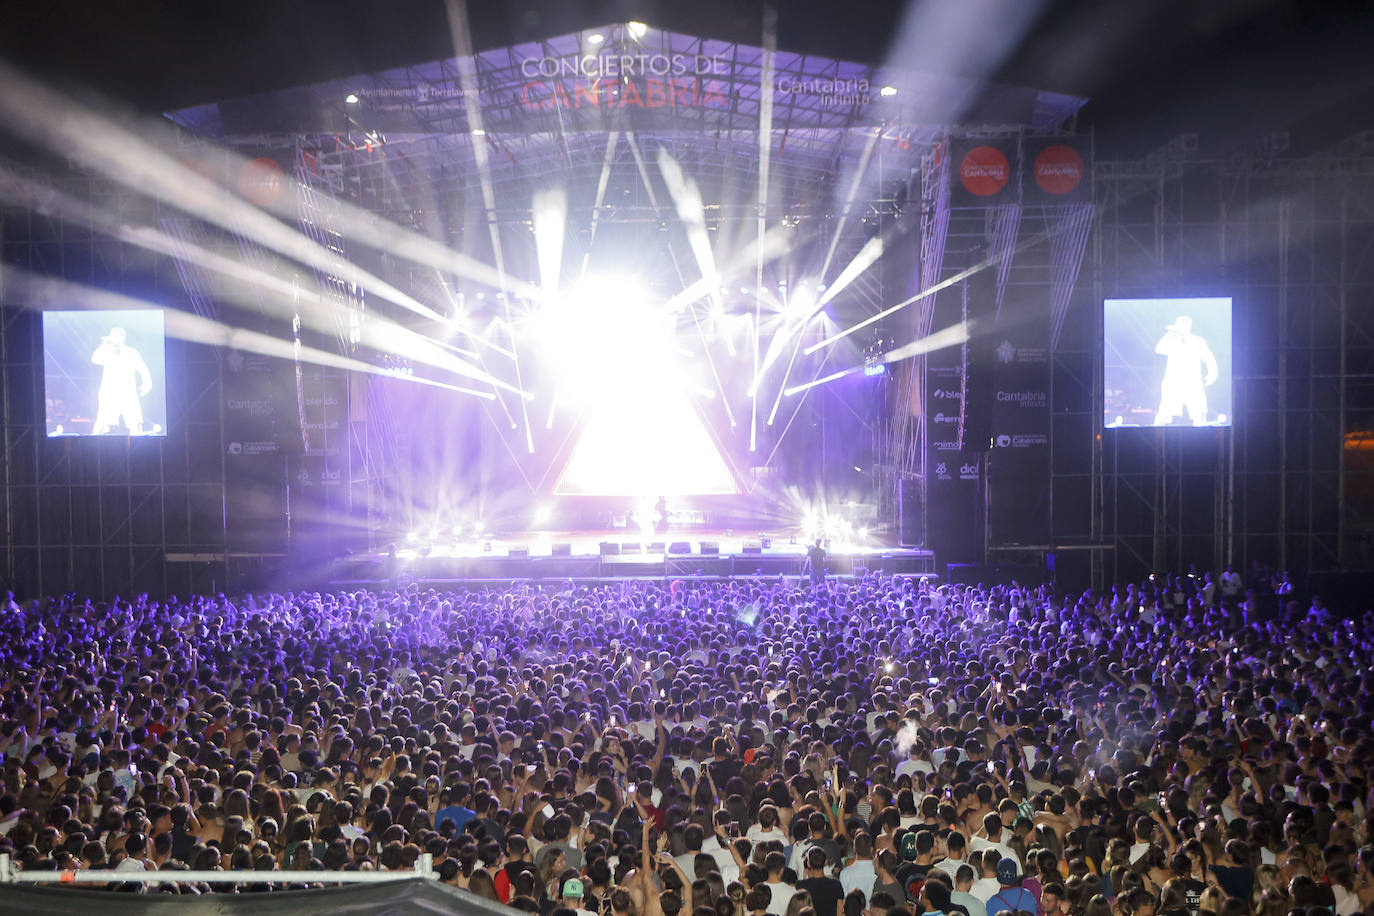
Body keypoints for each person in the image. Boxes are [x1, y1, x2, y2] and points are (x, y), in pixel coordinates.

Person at [1153, 316, 1218, 426]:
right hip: (1173, 382)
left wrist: (1213, 373)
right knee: (1164, 413)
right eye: (1180, 324)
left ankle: (1202, 439)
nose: (1183, 327)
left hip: (1193, 383)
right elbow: (1159, 349)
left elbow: (1209, 358)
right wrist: (1170, 334)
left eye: (1185, 324)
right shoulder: (1172, 341)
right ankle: (1155, 437)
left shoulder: (1197, 341)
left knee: (1198, 413)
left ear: (1189, 327)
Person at [90, 327, 153, 435]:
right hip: (109, 392)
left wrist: (147, 382)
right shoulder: (107, 352)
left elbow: (142, 368)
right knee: (102, 421)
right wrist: (105, 343)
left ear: (123, 338)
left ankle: (139, 446)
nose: (115, 338)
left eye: (117, 336)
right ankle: (92, 446)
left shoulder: (131, 352)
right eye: (113, 335)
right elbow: (95, 359)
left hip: (128, 392)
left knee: (134, 422)